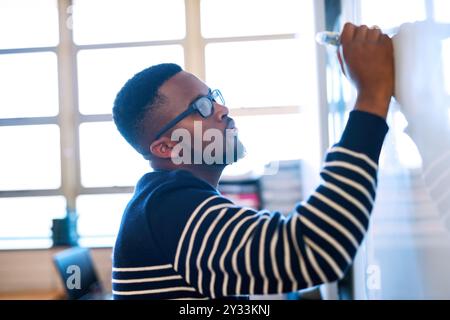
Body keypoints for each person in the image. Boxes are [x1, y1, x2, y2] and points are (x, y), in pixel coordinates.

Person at [111, 22, 394, 299]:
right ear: (165, 147)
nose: (222, 109)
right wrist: (371, 97)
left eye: (213, 97)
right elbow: (313, 250)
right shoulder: (169, 208)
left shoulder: (167, 202)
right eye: (201, 107)